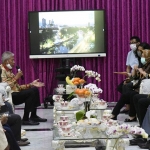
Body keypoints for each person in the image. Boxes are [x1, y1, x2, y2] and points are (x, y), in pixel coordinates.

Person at [0, 51, 47, 125]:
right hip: (9, 96)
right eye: (12, 60)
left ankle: (33, 116)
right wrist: (16, 77)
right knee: (30, 93)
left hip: (15, 92)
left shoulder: (9, 71)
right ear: (7, 61)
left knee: (34, 89)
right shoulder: (2, 70)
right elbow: (4, 86)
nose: (14, 62)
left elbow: (18, 87)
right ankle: (25, 119)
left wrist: (31, 84)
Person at [111, 49, 150, 121]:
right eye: (142, 56)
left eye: (144, 56)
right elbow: (136, 78)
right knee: (125, 94)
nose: (142, 58)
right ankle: (114, 114)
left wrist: (143, 72)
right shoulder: (144, 66)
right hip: (139, 87)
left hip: (146, 90)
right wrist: (135, 71)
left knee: (132, 94)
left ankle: (132, 116)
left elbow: (148, 77)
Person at [117, 36, 141, 114]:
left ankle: (129, 108)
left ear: (138, 43)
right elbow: (127, 67)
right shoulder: (130, 53)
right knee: (120, 87)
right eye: (130, 43)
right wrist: (128, 76)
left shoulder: (141, 53)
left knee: (126, 86)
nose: (131, 45)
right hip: (131, 75)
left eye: (133, 42)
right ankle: (129, 105)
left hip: (139, 75)